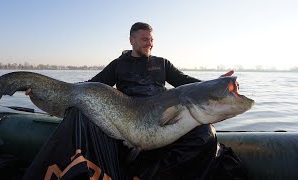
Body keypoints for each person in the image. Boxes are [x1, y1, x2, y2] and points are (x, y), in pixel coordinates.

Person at [25, 22, 245, 179]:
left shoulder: (162, 63)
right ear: (132, 40)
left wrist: (216, 83)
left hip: (161, 118)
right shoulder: (118, 64)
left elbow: (185, 82)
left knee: (205, 133)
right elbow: (89, 85)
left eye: (151, 40)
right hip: (126, 122)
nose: (149, 43)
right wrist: (42, 92)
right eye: (144, 39)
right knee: (82, 114)